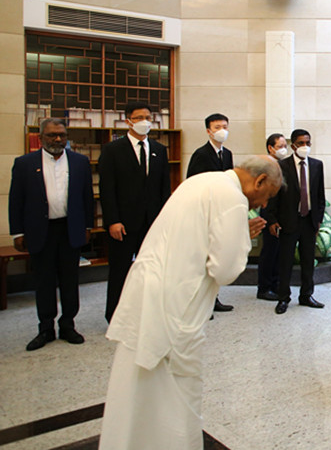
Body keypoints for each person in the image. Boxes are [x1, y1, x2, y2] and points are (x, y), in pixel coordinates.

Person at [98, 156, 281, 450]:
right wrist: (241, 239)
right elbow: (225, 270)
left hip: (150, 290)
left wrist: (236, 233)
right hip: (176, 304)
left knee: (135, 386)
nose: (263, 204)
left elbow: (195, 237)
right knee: (177, 391)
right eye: (267, 196)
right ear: (259, 181)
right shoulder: (233, 198)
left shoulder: (201, 181)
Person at [9, 118, 94, 351]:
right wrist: (17, 232)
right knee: (44, 280)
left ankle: (68, 325)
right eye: (52, 135)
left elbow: (87, 197)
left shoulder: (79, 162)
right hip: (40, 230)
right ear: (40, 138)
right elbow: (16, 200)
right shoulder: (25, 163)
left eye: (62, 135)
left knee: (70, 280)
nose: (58, 139)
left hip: (70, 229)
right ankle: (45, 328)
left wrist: (87, 227)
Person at [99, 101, 171, 323]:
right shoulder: (112, 150)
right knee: (120, 271)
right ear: (128, 121)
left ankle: (147, 314)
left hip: (152, 222)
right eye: (139, 118)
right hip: (123, 223)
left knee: (151, 271)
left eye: (148, 118)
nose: (144, 122)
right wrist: (113, 220)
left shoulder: (159, 150)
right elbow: (107, 189)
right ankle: (115, 316)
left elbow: (164, 188)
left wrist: (164, 220)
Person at [264, 129, 326, 314]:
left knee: (308, 260)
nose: (305, 146)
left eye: (307, 143)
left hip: (309, 221)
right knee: (285, 261)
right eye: (301, 143)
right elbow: (273, 194)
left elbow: (320, 195)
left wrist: (318, 219)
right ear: (293, 146)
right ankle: (283, 298)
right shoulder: (281, 166)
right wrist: (272, 219)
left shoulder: (317, 165)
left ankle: (306, 295)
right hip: (288, 220)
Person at [186, 113, 235, 313]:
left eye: (225, 126)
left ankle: (213, 298)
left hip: (220, 211)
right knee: (202, 258)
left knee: (215, 257)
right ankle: (201, 302)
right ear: (208, 131)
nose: (222, 131)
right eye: (217, 127)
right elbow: (193, 183)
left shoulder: (227, 153)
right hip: (204, 211)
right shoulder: (201, 154)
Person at [256, 133, 288, 301]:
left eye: (285, 146)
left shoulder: (282, 165)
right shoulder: (265, 166)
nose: (284, 149)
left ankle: (275, 285)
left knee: (278, 253)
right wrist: (271, 220)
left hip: (281, 215)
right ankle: (264, 288)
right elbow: (265, 196)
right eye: (280, 146)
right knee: (269, 252)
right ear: (270, 148)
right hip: (269, 216)